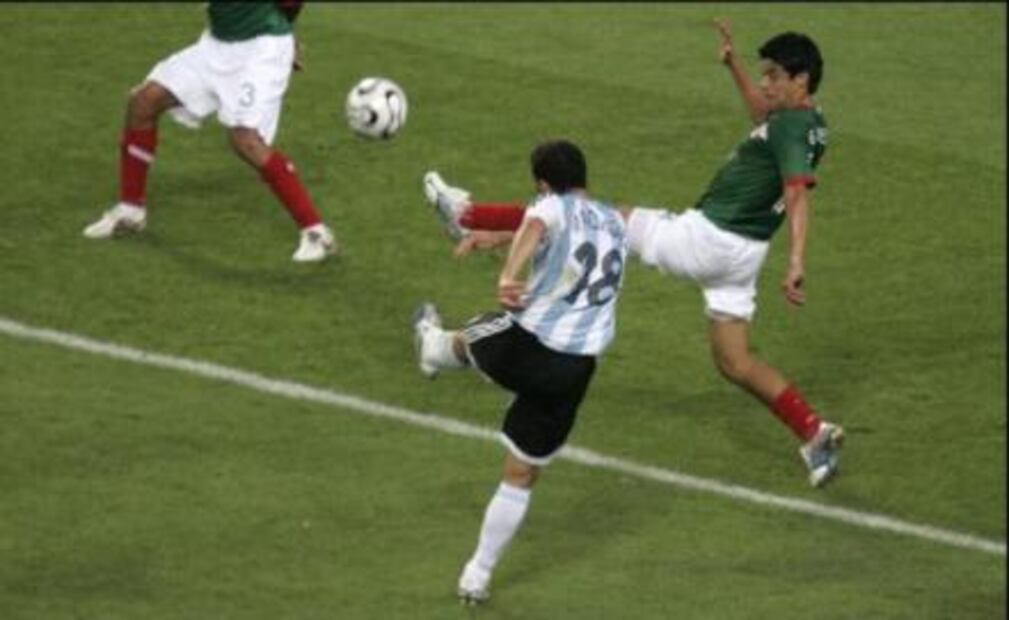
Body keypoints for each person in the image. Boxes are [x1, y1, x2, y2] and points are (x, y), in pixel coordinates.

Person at [421, 22, 844, 488]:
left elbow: (797, 193)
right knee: (735, 362)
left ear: (801, 80)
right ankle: (815, 433)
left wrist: (797, 260)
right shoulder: (809, 123)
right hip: (744, 255)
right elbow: (763, 119)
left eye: (774, 76)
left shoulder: (788, 127)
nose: (764, 84)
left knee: (588, 216)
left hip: (706, 239)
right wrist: (734, 68)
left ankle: (466, 215)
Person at [413, 140, 628, 604]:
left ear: (544, 185)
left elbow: (534, 225)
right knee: (521, 475)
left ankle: (432, 348)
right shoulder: (614, 220)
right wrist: (497, 237)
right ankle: (477, 575)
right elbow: (556, 235)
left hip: (529, 346)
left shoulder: (550, 206)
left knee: (477, 331)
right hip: (574, 371)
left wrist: (508, 274)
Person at [83, 1, 336, 262]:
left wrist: (287, 34)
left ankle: (316, 232)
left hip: (261, 50)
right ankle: (130, 210)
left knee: (245, 139)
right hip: (216, 46)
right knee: (143, 102)